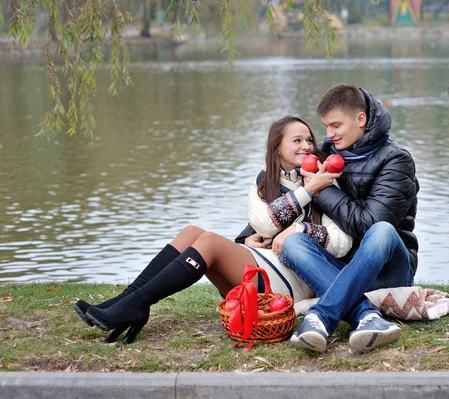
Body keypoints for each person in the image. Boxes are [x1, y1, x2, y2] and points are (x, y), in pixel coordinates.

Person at [74, 116, 352, 343]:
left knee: (209, 243)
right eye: (297, 140)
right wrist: (247, 239)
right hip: (267, 266)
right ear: (277, 147)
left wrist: (301, 227)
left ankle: (137, 305)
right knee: (191, 232)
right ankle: (123, 301)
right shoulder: (264, 183)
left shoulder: (326, 183)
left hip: (295, 281)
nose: (306, 146)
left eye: (309, 140)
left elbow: (343, 243)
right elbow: (262, 223)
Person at [281, 84, 419, 353]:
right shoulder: (325, 154)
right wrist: (252, 232)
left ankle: (321, 317)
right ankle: (367, 317)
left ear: (361, 119)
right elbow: (282, 186)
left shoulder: (396, 160)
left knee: (382, 230)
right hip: (341, 265)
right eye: (326, 127)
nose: (329, 134)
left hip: (388, 268)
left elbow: (368, 225)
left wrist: (321, 190)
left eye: (335, 126)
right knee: (293, 244)